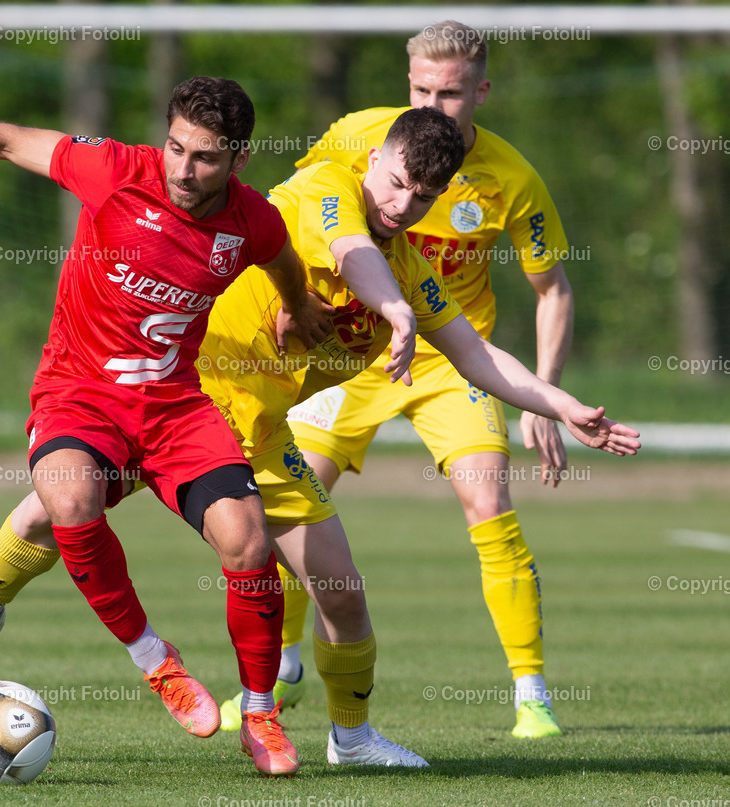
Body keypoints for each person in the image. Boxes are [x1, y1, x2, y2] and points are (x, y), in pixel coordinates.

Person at [0, 106, 641, 769]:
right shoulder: (326, 190)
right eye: (396, 182)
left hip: (262, 431)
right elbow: (351, 252)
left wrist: (561, 403)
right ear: (373, 160)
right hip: (186, 396)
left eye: (423, 196)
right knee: (52, 512)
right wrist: (395, 312)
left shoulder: (410, 267)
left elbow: (475, 354)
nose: (402, 204)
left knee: (342, 591)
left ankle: (350, 737)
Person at [0, 76, 328, 778]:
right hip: (81, 394)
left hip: (176, 407)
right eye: (176, 148)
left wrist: (298, 304)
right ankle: (157, 663)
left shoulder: (252, 220)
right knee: (69, 501)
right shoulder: (115, 169)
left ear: (239, 159)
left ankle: (259, 714)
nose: (184, 170)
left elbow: (281, 259)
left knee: (248, 542)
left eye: (206, 157)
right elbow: (7, 140)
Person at [281, 20, 579, 739]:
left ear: (481, 91)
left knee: (489, 501)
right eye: (420, 90)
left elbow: (553, 290)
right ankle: (277, 672)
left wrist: (544, 394)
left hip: (453, 358)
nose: (432, 106)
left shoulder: (512, 178)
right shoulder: (360, 135)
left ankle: (532, 695)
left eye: (449, 94)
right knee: (289, 501)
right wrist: (295, 296)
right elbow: (294, 206)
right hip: (353, 353)